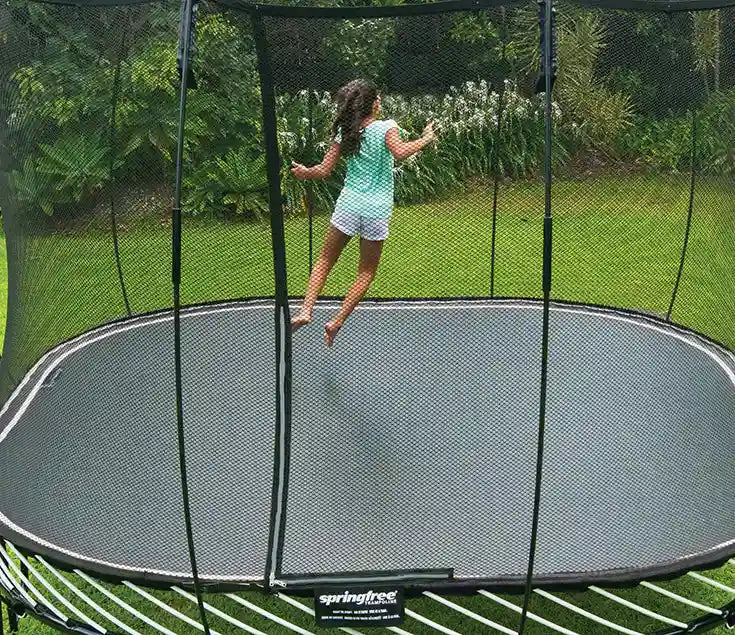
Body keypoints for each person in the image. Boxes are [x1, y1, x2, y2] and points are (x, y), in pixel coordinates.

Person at [290, 78, 436, 346]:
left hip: (348, 205)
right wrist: (426, 138)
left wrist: (303, 172)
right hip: (375, 211)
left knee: (324, 260)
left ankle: (305, 310)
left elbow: (323, 170)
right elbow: (401, 152)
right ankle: (336, 322)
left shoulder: (346, 132)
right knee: (366, 272)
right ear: (374, 104)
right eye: (378, 98)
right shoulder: (386, 128)